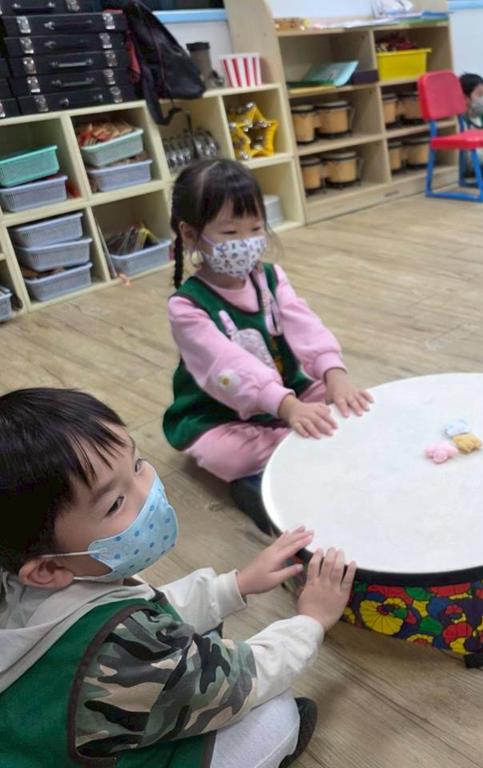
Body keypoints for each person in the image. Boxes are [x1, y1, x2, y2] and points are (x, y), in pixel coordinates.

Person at [0, 387, 357, 767]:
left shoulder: (30, 582)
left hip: (40, 732)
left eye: (137, 465)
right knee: (277, 715)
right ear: (48, 569)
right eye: (115, 503)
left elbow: (145, 607)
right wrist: (311, 621)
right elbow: (240, 681)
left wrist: (235, 585)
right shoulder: (120, 650)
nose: (148, 492)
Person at [162, 159, 372, 532]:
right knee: (226, 455)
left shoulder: (271, 278)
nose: (247, 242)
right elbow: (226, 364)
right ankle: (280, 460)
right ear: (191, 234)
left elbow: (304, 324)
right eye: (230, 231)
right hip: (219, 414)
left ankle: (294, 446)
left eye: (256, 228)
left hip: (288, 394)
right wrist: (287, 408)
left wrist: (333, 373)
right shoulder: (187, 306)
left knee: (350, 405)